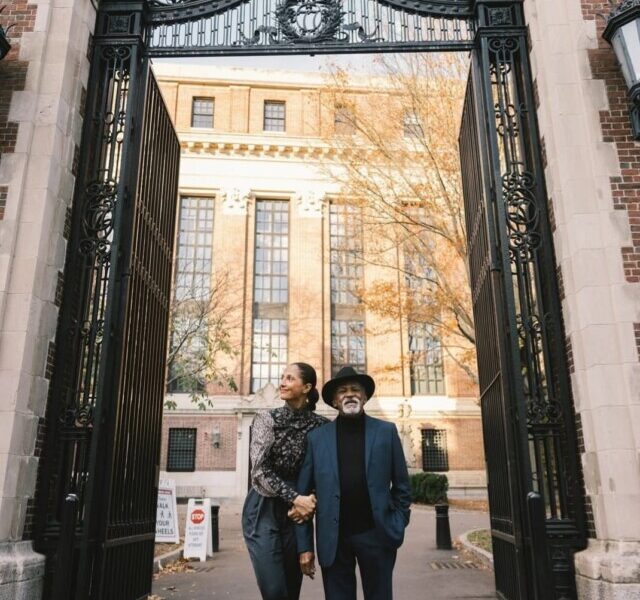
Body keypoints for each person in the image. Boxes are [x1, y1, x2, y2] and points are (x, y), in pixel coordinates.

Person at [293, 366, 411, 600]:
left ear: (365, 397)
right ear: (335, 400)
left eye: (356, 389)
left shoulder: (386, 432)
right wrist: (304, 546)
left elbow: (402, 487)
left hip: (377, 535)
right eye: (343, 391)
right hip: (333, 540)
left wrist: (397, 522)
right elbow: (303, 498)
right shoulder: (317, 438)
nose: (349, 394)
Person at [242, 362, 329, 600]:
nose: (282, 382)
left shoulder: (321, 426)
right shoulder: (266, 419)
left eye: (290, 378)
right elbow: (259, 471)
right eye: (282, 377)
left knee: (292, 589)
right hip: (263, 508)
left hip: (297, 514)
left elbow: (325, 475)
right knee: (274, 590)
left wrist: (310, 502)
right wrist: (296, 498)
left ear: (306, 387)